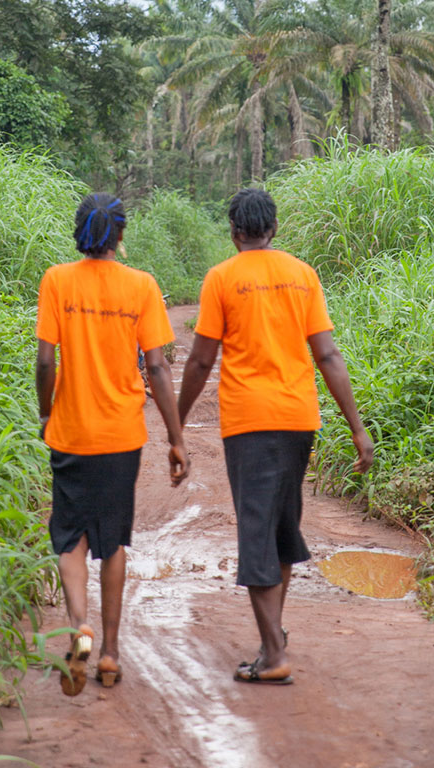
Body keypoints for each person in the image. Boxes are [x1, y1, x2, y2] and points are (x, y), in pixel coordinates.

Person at [177, 187, 373, 685]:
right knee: (282, 529)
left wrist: (176, 421)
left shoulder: (222, 278)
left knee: (257, 533)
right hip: (299, 420)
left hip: (249, 423)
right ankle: (272, 643)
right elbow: (327, 355)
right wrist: (357, 428)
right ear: (274, 228)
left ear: (234, 231)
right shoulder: (302, 275)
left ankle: (274, 654)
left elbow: (200, 360)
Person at [36, 191, 189, 696]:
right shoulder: (141, 286)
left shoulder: (57, 281)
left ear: (79, 232)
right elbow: (158, 368)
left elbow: (45, 361)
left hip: (71, 430)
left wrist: (46, 412)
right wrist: (176, 438)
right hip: (122, 435)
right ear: (120, 235)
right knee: (113, 542)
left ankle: (79, 626)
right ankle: (109, 654)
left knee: (71, 538)